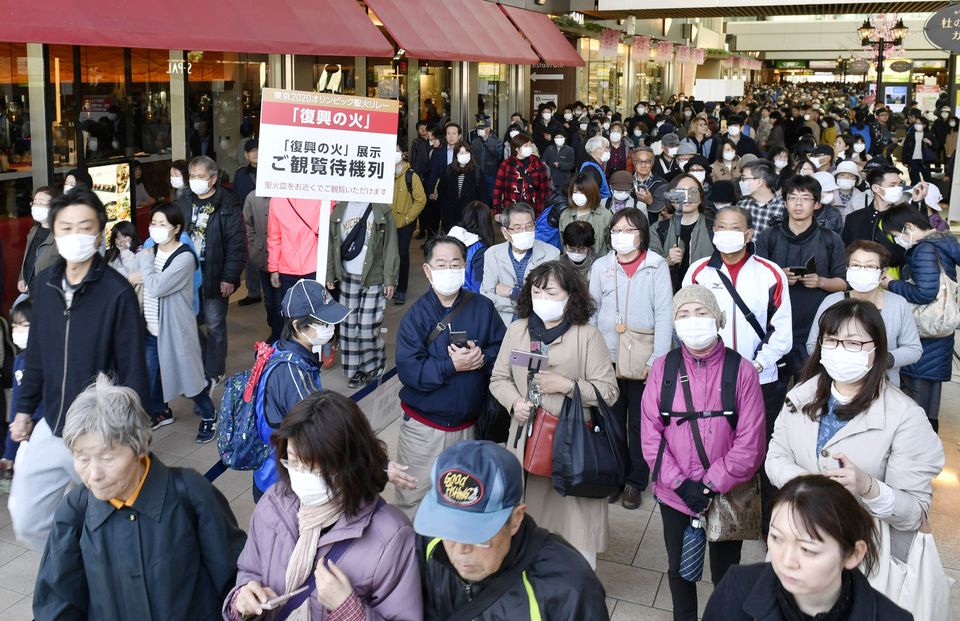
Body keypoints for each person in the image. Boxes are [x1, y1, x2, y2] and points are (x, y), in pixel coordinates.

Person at [33, 374, 245, 619]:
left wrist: (244, 598)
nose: (94, 474)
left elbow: (233, 578)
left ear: (140, 446)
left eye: (107, 458)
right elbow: (56, 605)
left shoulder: (190, 494)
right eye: (82, 458)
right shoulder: (74, 512)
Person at [8, 188, 149, 551]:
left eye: (85, 227)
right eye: (66, 227)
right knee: (26, 516)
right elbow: (36, 353)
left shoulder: (115, 292)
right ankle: (71, 559)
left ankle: (100, 573)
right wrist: (24, 410)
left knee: (117, 527)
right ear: (54, 232)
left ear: (99, 233)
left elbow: (134, 368)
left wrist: (134, 438)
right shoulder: (46, 285)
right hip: (53, 424)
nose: (76, 235)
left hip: (101, 434)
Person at [766, 299, 944, 575]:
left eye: (853, 343)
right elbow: (776, 457)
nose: (840, 350)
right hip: (793, 549)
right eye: (832, 340)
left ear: (876, 348)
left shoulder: (905, 416)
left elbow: (914, 513)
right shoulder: (801, 396)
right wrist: (806, 483)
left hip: (860, 563)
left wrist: (869, 487)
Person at [225, 390, 422, 620]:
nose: (300, 475)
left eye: (313, 467)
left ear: (348, 464)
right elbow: (249, 570)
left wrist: (350, 612)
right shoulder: (273, 503)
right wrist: (242, 599)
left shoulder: (391, 538)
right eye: (293, 461)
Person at [640, 285, 765, 621]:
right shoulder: (662, 368)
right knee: (679, 567)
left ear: (718, 319)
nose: (693, 321)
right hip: (674, 493)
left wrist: (709, 486)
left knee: (726, 571)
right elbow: (651, 435)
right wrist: (681, 485)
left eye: (701, 313)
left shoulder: (742, 371)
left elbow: (751, 443)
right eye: (683, 314)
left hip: (727, 493)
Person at [490, 261, 619, 566]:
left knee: (575, 522)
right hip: (526, 441)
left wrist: (568, 386)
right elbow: (499, 378)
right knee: (529, 517)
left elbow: (609, 392)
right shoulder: (518, 330)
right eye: (536, 292)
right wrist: (514, 403)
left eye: (551, 292)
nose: (542, 299)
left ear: (570, 295)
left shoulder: (587, 335)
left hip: (573, 443)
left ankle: (578, 578)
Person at [414, 440, 609, 619]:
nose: (460, 549)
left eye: (478, 536)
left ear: (515, 519)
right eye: (450, 531)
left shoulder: (569, 586)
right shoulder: (430, 541)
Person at [394, 236, 505, 517]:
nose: (449, 269)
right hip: (424, 429)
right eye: (441, 264)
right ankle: (414, 559)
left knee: (463, 502)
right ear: (428, 271)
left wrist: (482, 358)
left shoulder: (482, 307)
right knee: (414, 499)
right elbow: (410, 372)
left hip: (468, 428)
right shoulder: (416, 316)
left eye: (455, 263)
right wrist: (450, 366)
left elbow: (501, 349)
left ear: (464, 267)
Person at [703, 474, 912, 620]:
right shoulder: (737, 589)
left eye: (808, 550)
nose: (786, 561)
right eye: (776, 538)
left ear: (853, 554)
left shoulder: (892, 617)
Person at [588, 208, 672, 510]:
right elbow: (592, 312)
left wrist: (657, 360)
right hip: (607, 356)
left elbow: (665, 315)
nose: (621, 236)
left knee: (639, 423)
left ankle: (635, 481)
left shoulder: (656, 265)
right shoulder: (601, 266)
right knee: (609, 421)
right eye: (616, 230)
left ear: (641, 234)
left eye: (628, 230)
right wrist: (592, 356)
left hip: (643, 356)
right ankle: (614, 476)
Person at [249, 280, 347, 502]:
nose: (329, 328)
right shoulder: (292, 372)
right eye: (322, 323)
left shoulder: (278, 349)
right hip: (282, 485)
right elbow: (320, 430)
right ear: (297, 326)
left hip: (271, 477)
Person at [129, 203, 216, 441]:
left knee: (189, 380)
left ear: (176, 228)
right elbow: (132, 276)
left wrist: (145, 268)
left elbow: (156, 286)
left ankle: (209, 415)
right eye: (153, 223)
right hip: (149, 326)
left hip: (176, 330)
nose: (155, 229)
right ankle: (161, 411)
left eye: (162, 224)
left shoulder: (184, 257)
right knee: (151, 374)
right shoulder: (150, 252)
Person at [754, 174, 846, 383]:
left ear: (816, 204)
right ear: (785, 203)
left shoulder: (830, 239)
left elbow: (843, 282)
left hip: (814, 326)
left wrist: (821, 282)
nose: (798, 203)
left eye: (805, 198)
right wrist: (778, 278)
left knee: (809, 391)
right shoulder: (769, 236)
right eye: (793, 197)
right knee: (771, 393)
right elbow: (756, 282)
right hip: (772, 326)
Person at [879, 204, 960, 431]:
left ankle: (917, 455)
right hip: (937, 336)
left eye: (895, 235)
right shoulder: (942, 242)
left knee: (916, 404)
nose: (896, 240)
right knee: (927, 404)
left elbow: (925, 293)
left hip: (925, 337)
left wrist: (891, 284)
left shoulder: (924, 249)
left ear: (908, 227)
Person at [807, 240, 921, 388]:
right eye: (855, 265)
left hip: (883, 386)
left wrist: (881, 360)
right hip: (836, 384)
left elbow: (913, 349)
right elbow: (812, 345)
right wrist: (841, 359)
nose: (862, 270)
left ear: (883, 273)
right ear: (847, 269)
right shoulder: (832, 302)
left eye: (870, 266)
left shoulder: (898, 304)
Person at [177, 155, 247, 386]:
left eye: (200, 177)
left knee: (215, 323)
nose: (195, 181)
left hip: (214, 271)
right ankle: (203, 359)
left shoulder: (228, 204)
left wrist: (229, 277)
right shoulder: (184, 200)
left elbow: (237, 245)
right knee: (188, 321)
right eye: (192, 176)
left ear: (213, 178)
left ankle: (215, 369)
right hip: (187, 272)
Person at [326, 199, 399, 388]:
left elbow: (391, 245)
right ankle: (354, 370)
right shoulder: (339, 208)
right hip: (347, 276)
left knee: (366, 326)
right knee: (348, 326)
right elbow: (330, 242)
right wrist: (330, 272)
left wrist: (390, 278)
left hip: (374, 276)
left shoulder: (381, 208)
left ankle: (373, 363)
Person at [481, 202, 559, 326]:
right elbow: (487, 296)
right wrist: (526, 301)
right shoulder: (492, 254)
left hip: (540, 324)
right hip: (502, 323)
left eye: (529, 226)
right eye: (517, 228)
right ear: (505, 232)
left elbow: (548, 297)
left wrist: (512, 292)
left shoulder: (551, 254)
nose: (524, 232)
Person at [841, 165, 928, 271]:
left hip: (896, 282)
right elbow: (846, 252)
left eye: (899, 184)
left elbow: (924, 237)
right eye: (892, 185)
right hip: (860, 278)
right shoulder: (854, 219)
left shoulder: (904, 216)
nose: (898, 188)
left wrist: (918, 202)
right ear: (876, 188)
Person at [650, 174, 714, 292]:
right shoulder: (658, 229)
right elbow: (649, 270)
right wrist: (667, 261)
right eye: (680, 191)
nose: (686, 196)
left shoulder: (715, 228)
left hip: (705, 297)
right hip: (668, 297)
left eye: (693, 191)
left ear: (701, 196)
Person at [267, 196, 322, 329]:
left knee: (317, 313)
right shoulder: (277, 200)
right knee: (290, 314)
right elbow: (274, 236)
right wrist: (273, 268)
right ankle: (294, 347)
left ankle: (319, 348)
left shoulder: (321, 196)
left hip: (316, 266)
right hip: (287, 269)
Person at [242, 184, 278, 340]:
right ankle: (275, 329)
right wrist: (254, 245)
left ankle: (281, 334)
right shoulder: (252, 197)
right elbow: (247, 224)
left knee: (281, 300)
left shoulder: (285, 195)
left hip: (285, 259)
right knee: (269, 300)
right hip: (263, 255)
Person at [393, 143, 427, 305]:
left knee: (402, 254)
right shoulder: (381, 172)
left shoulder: (410, 175)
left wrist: (408, 218)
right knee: (384, 256)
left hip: (405, 223)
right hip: (386, 223)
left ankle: (401, 289)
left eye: (397, 151)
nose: (394, 154)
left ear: (403, 154)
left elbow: (420, 199)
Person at [492, 133, 551, 220]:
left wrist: (543, 211)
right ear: (517, 148)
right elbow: (498, 189)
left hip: (534, 210)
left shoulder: (538, 164)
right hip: (511, 209)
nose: (529, 148)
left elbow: (545, 189)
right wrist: (497, 211)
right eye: (526, 145)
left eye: (530, 145)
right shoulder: (507, 165)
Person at [437, 141, 489, 233]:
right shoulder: (448, 171)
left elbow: (483, 195)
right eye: (461, 153)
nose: (464, 155)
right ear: (456, 155)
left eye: (466, 152)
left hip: (471, 217)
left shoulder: (476, 171)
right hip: (451, 217)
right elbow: (442, 192)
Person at [233, 140, 261, 307]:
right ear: (246, 155)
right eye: (252, 151)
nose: (256, 153)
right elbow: (236, 197)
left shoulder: (274, 169)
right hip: (248, 220)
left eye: (259, 149)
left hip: (270, 218)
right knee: (250, 257)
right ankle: (254, 292)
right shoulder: (240, 174)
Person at [558, 173, 611, 257]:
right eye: (575, 192)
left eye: (583, 192)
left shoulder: (605, 215)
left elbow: (610, 245)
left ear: (591, 192)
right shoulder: (565, 215)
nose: (578, 195)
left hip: (598, 264)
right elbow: (563, 242)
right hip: (571, 265)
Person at [447, 200, 495, 293]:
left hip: (443, 296)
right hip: (466, 300)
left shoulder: (447, 240)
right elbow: (478, 286)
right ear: (486, 222)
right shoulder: (480, 250)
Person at [19, 186, 59, 293]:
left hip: (47, 293)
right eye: (35, 203)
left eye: (41, 203)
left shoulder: (60, 236)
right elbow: (28, 259)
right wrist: (22, 278)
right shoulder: (34, 230)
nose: (36, 206)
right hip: (29, 289)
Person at [735, 158, 785, 235]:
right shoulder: (741, 206)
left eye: (744, 178)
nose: (741, 182)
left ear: (759, 182)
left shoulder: (784, 207)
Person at [470, 121, 503, 199]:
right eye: (478, 129)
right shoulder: (475, 141)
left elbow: (499, 156)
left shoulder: (497, 141)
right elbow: (472, 155)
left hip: (491, 173)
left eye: (481, 128)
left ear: (488, 129)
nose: (479, 130)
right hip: (477, 172)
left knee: (491, 195)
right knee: (478, 195)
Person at [631, 145, 667, 216]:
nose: (643, 165)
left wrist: (651, 202)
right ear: (634, 162)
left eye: (647, 161)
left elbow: (666, 214)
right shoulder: (626, 181)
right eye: (639, 161)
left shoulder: (663, 184)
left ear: (652, 163)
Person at [901, 116, 938, 184]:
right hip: (912, 161)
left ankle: (928, 193)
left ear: (924, 125)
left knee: (928, 180)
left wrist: (930, 142)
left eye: (919, 124)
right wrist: (904, 161)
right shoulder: (910, 135)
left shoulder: (929, 135)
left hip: (924, 161)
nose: (917, 125)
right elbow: (905, 148)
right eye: (916, 123)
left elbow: (935, 147)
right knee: (914, 180)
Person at [580, 135, 612, 200]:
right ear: (597, 151)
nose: (609, 151)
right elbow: (590, 196)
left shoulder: (594, 165)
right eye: (606, 148)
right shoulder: (589, 170)